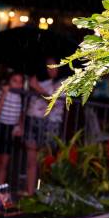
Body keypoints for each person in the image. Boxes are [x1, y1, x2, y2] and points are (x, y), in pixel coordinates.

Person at [24, 57, 65, 195]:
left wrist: (37, 88)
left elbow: (53, 102)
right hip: (33, 119)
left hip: (50, 124)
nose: (52, 69)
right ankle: (30, 193)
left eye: (55, 66)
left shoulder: (63, 83)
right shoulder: (40, 80)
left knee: (45, 161)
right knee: (31, 159)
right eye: (49, 66)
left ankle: (42, 193)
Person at [0, 71, 24, 186]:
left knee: (4, 164)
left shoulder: (20, 96)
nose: (17, 84)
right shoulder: (1, 93)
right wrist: (3, 94)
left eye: (20, 82)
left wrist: (19, 126)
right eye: (14, 81)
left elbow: (20, 114)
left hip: (10, 130)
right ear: (9, 82)